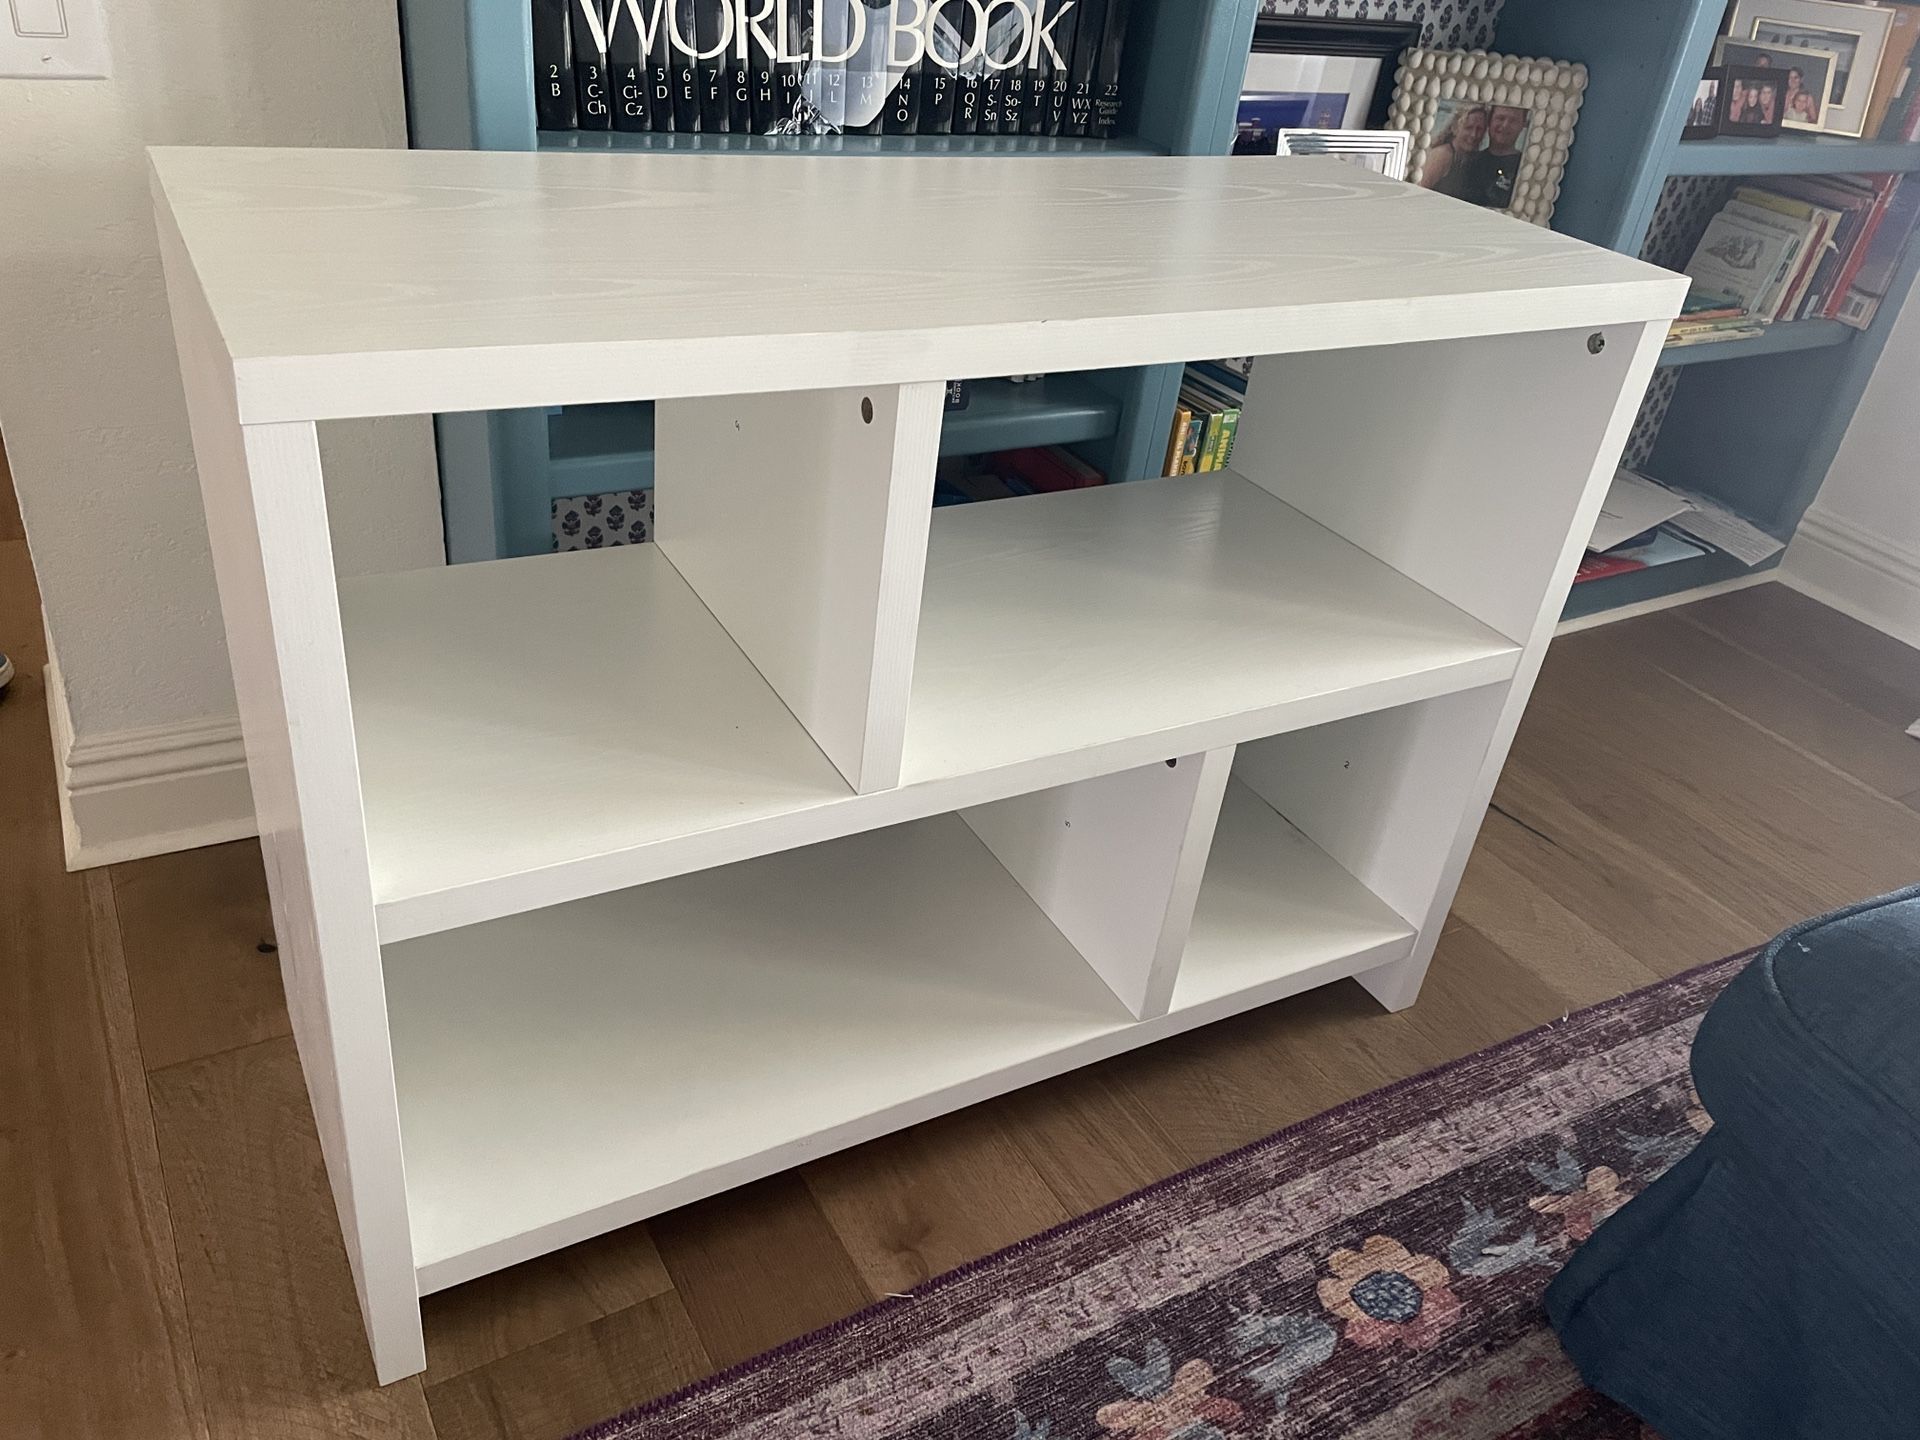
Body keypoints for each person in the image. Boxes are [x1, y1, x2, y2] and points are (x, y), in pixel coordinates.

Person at [1456, 104, 1527, 210]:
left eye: (1513, 121)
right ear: (1489, 122)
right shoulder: (1468, 160)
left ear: (1522, 126)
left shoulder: (1525, 168)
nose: (1505, 125)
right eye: (1500, 118)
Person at [1418, 103, 1487, 196]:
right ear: (1455, 128)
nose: (1474, 135)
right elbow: (1419, 190)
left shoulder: (1469, 158)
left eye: (1479, 129)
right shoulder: (1442, 155)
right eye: (1468, 128)